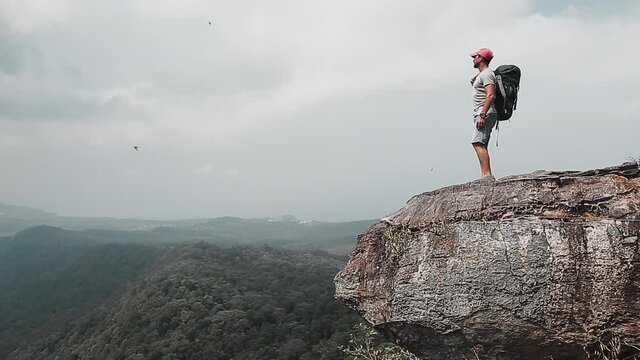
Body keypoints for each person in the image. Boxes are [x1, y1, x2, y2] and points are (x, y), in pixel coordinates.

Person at [469, 48, 497, 181]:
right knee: (482, 143)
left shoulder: (487, 74)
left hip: (484, 112)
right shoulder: (483, 75)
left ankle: (487, 175)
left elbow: (490, 95)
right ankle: (485, 174)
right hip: (483, 112)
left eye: (475, 56)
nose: (473, 59)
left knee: (477, 142)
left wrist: (482, 115)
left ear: (481, 58)